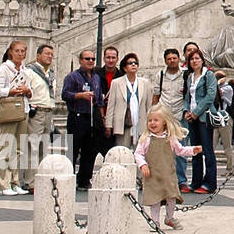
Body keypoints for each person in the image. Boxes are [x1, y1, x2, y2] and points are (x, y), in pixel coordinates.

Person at [134, 104, 201, 229]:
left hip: (168, 174)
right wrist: (143, 165)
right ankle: (155, 221)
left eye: (156, 120)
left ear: (164, 122)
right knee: (155, 199)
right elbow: (138, 154)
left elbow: (180, 150)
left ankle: (169, 217)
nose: (152, 123)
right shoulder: (146, 139)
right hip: (153, 175)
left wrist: (193, 150)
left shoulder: (170, 138)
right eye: (150, 120)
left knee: (171, 196)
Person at [0, 40, 33, 195]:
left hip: (23, 109)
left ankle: (15, 181)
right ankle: (3, 184)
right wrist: (13, 90)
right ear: (10, 52)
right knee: (5, 146)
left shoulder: (24, 69)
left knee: (18, 148)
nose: (20, 54)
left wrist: (27, 91)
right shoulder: (4, 69)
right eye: (17, 51)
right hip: (9, 109)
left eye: (23, 51)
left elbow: (30, 92)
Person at [60, 48, 103, 189]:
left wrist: (101, 116)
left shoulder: (96, 77)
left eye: (93, 59)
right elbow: (65, 94)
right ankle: (68, 177)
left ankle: (84, 179)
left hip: (92, 117)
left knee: (90, 151)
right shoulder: (72, 77)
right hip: (77, 116)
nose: (90, 61)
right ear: (80, 60)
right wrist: (80, 95)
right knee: (73, 148)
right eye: (87, 59)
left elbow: (99, 99)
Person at [182, 48, 219, 195]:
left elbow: (210, 96)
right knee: (195, 150)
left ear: (202, 60)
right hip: (192, 118)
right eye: (192, 59)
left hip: (204, 117)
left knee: (207, 150)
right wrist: (186, 111)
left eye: (197, 58)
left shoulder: (209, 75)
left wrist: (196, 113)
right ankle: (196, 181)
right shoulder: (190, 77)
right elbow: (187, 97)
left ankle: (210, 183)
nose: (194, 61)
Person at [20, 44, 56, 193]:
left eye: (51, 55)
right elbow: (23, 89)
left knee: (43, 148)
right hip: (36, 112)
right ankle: (30, 181)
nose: (49, 56)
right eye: (46, 54)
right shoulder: (29, 72)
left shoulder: (51, 73)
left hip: (48, 111)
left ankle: (40, 179)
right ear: (38, 55)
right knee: (32, 147)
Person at [153, 48, 189, 191]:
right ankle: (162, 179)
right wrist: (153, 115)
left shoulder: (186, 75)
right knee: (161, 149)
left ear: (179, 59)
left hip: (180, 115)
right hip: (164, 116)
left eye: (174, 58)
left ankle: (181, 180)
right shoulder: (160, 75)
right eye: (169, 59)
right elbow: (156, 94)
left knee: (180, 149)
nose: (172, 61)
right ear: (165, 60)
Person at [105, 53, 152, 150]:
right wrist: (108, 125)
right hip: (123, 124)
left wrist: (150, 122)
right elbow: (111, 105)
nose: (133, 65)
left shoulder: (145, 83)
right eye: (130, 63)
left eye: (135, 63)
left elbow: (148, 105)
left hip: (140, 123)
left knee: (141, 153)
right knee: (122, 151)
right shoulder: (116, 83)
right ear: (125, 68)